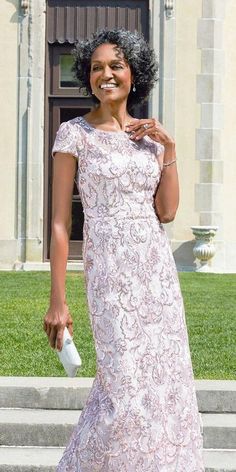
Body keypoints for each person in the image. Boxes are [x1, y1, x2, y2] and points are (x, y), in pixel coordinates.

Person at [43, 28, 205, 472]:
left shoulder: (151, 139)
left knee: (162, 379)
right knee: (122, 385)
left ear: (135, 74)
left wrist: (169, 147)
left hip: (155, 272)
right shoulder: (73, 134)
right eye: (96, 67)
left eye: (116, 66)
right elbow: (60, 223)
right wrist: (58, 301)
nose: (106, 75)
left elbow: (167, 212)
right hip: (110, 272)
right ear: (88, 76)